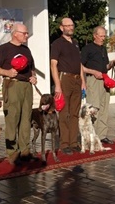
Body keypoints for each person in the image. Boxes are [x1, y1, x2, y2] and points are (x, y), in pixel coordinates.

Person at [0, 23, 38, 165]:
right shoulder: (4, 49)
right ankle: (12, 152)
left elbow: (32, 67)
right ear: (15, 33)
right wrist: (6, 72)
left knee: (26, 118)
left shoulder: (26, 49)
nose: (26, 35)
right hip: (12, 85)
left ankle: (25, 150)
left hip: (26, 86)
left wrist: (33, 76)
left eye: (27, 33)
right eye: (24, 33)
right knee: (12, 119)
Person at [50, 17, 86, 155]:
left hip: (77, 80)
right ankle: (64, 143)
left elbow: (79, 64)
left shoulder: (76, 43)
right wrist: (57, 86)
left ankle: (73, 142)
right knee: (64, 113)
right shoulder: (57, 44)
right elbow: (53, 65)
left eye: (72, 25)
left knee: (75, 113)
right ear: (61, 28)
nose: (71, 27)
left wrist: (83, 81)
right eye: (68, 25)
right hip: (64, 78)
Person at [81, 26, 115, 144]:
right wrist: (93, 72)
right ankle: (92, 135)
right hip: (93, 80)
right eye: (101, 36)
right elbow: (80, 66)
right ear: (95, 35)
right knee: (94, 108)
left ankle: (102, 135)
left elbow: (104, 66)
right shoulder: (87, 48)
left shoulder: (104, 49)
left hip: (104, 79)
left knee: (104, 107)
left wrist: (111, 65)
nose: (103, 38)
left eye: (104, 36)